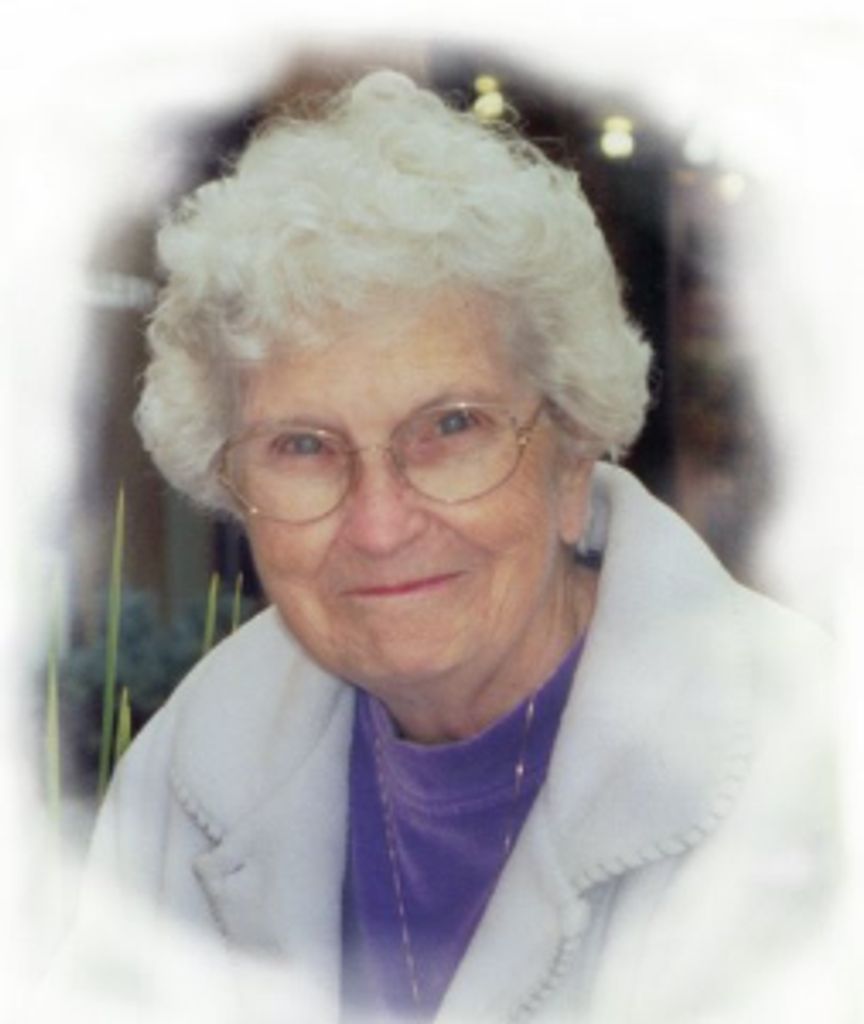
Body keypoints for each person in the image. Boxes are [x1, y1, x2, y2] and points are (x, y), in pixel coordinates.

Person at [68, 69, 842, 1022]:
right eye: (303, 446)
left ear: (571, 452)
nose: (380, 525)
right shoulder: (191, 767)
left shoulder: (811, 766)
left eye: (452, 427)